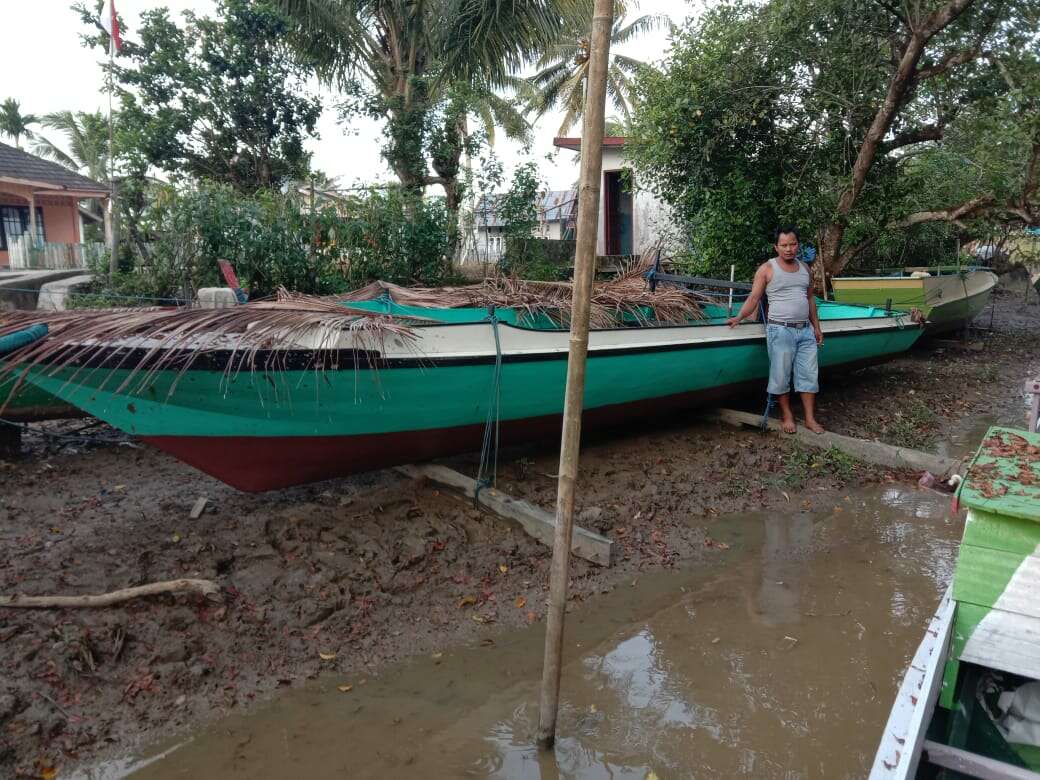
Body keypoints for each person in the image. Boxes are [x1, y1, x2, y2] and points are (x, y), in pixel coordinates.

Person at [726, 227, 825, 434]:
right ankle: (787, 415)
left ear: (798, 245)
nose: (789, 249)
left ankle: (809, 418)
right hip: (780, 330)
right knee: (781, 375)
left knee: (809, 374)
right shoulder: (767, 269)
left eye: (793, 244)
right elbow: (754, 298)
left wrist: (816, 327)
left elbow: (809, 299)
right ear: (776, 247)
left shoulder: (805, 269)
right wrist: (739, 317)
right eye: (784, 245)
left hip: (805, 330)